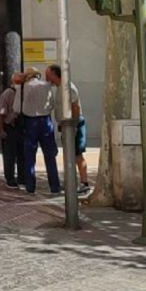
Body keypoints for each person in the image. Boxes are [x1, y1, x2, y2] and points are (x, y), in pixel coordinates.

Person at [46, 64, 89, 195]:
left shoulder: (68, 88)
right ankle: (72, 183)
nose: (47, 78)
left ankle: (84, 183)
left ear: (54, 74)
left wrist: (74, 126)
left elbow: (75, 107)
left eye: (48, 75)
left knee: (77, 154)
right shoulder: (59, 88)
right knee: (70, 155)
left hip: (73, 125)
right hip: (66, 126)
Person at [19, 67, 60, 195]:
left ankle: (30, 186)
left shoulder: (24, 87)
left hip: (30, 122)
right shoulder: (46, 85)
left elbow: (18, 107)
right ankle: (55, 186)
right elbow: (52, 104)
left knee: (30, 156)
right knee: (50, 155)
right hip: (45, 121)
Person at [0, 72, 27, 189]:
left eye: (22, 82)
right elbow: (1, 113)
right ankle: (10, 178)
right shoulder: (7, 93)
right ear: (13, 82)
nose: (20, 84)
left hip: (21, 127)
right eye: (19, 82)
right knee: (10, 155)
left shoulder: (25, 93)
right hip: (11, 126)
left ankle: (22, 178)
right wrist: (2, 130)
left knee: (21, 154)